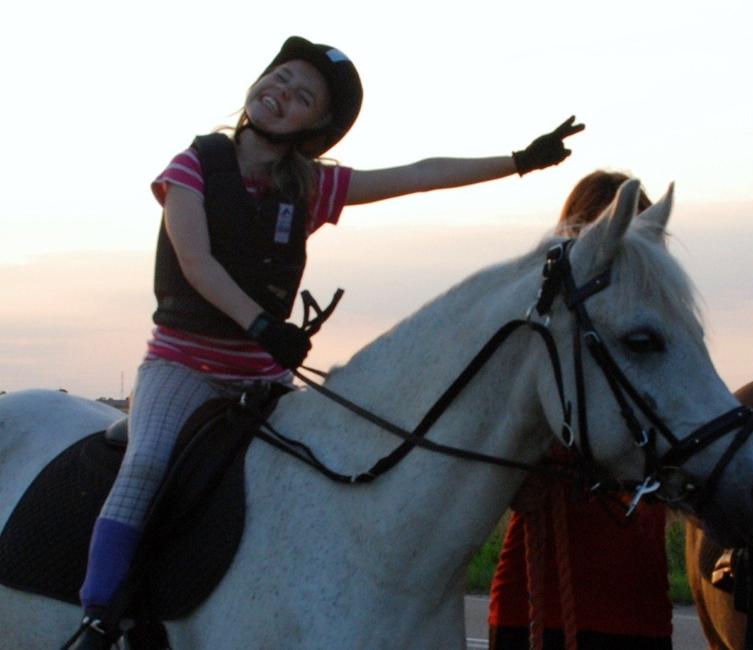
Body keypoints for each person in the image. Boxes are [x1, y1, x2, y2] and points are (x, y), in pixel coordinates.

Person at [67, 35, 584, 649]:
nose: (282, 92)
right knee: (146, 465)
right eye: (280, 78)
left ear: (316, 127)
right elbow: (197, 262)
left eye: (302, 95)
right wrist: (262, 326)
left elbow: (417, 176)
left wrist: (519, 160)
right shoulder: (192, 167)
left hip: (262, 377)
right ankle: (99, 617)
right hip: (185, 368)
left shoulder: (309, 186)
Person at [487, 171, 674, 650]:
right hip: (539, 596)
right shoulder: (539, 330)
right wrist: (514, 480)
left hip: (633, 599)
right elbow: (495, 437)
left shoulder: (662, 342)